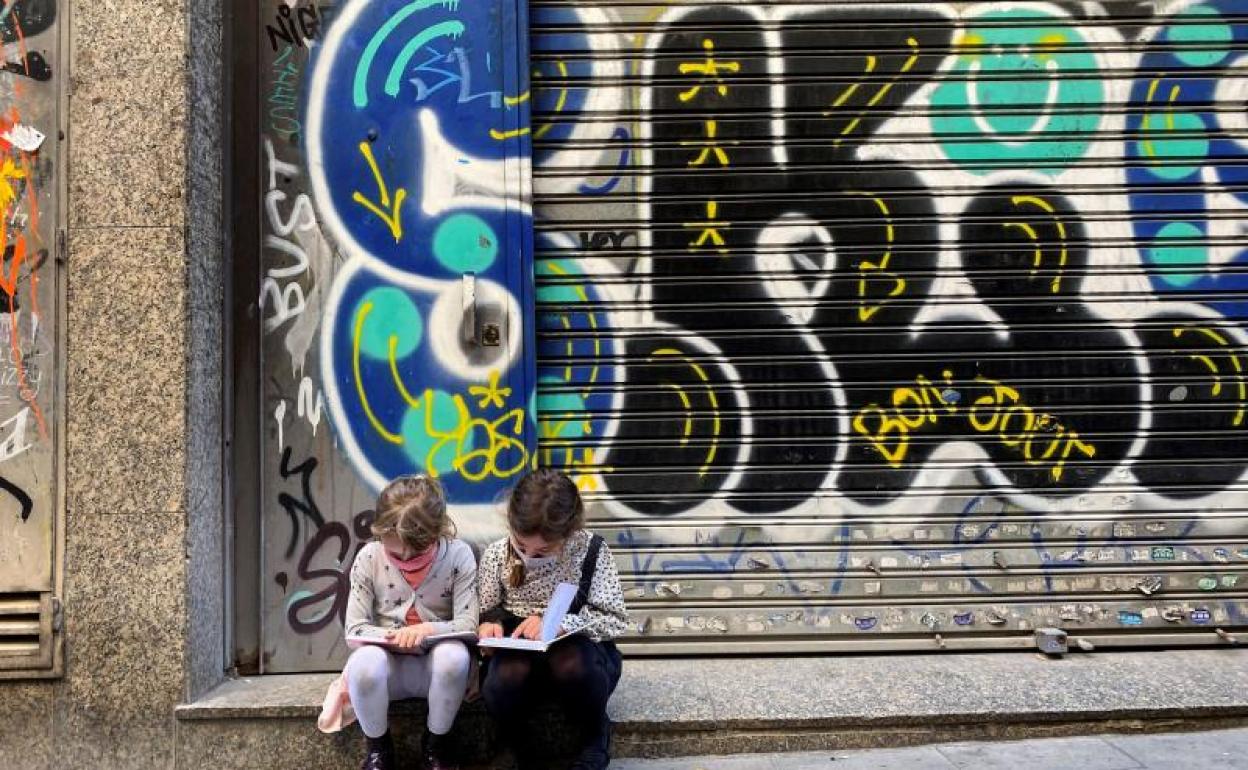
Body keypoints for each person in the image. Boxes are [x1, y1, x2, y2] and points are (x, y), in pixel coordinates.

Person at [477, 468, 630, 770]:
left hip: (576, 653)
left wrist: (562, 623)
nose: (530, 556)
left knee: (574, 665)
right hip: (520, 656)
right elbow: (486, 610)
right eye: (522, 547)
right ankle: (515, 745)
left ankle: (594, 736)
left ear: (569, 533)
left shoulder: (591, 551)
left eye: (543, 550)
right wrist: (487, 626)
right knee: (503, 679)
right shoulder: (498, 553)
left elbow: (615, 619)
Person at [327, 475, 479, 770]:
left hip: (439, 670)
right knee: (363, 663)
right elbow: (354, 629)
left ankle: (436, 747)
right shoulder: (369, 557)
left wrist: (427, 629)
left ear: (438, 532)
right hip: (388, 668)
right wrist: (394, 636)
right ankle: (378, 751)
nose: (406, 559)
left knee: (454, 656)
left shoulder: (458, 555)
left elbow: (468, 624)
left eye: (418, 553)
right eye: (396, 552)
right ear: (379, 531)